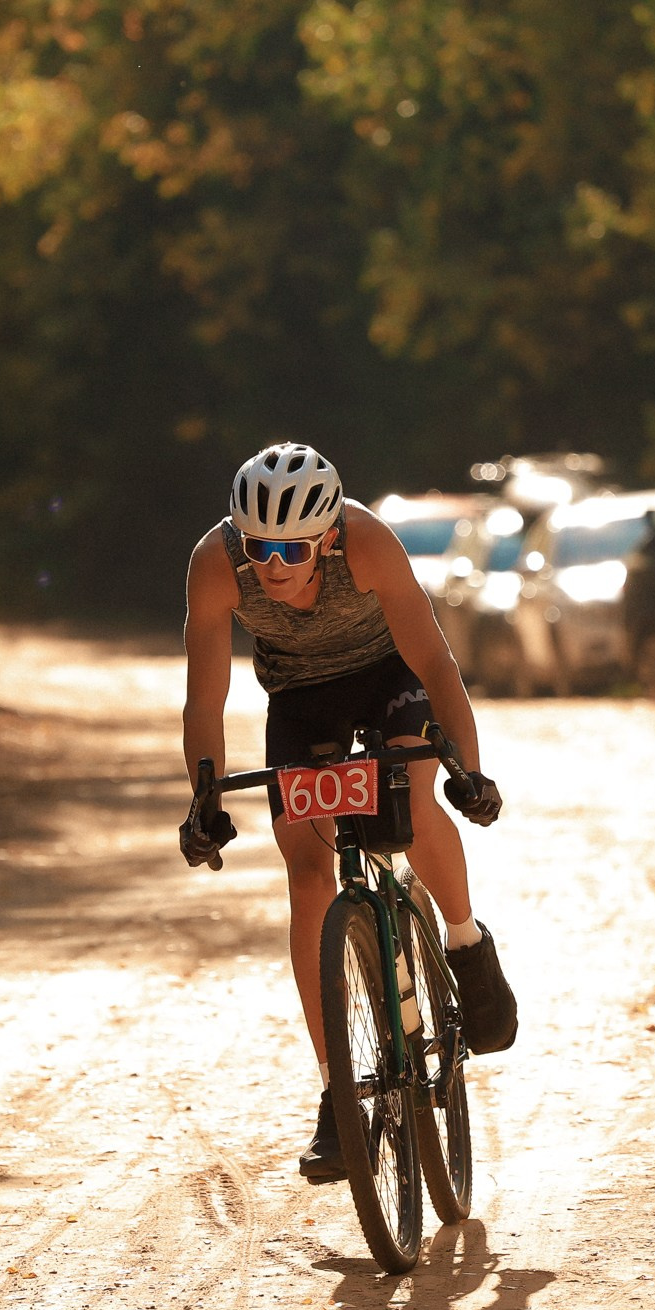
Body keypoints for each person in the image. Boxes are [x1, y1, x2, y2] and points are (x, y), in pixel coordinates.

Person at [180, 441, 518, 1183]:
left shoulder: (367, 543)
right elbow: (204, 696)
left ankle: (465, 945)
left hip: (387, 676)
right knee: (307, 875)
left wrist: (469, 766)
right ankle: (338, 1097)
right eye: (259, 546)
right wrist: (203, 797)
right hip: (300, 700)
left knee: (415, 802)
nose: (272, 564)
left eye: (292, 548)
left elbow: (434, 662)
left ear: (328, 536)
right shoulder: (215, 563)